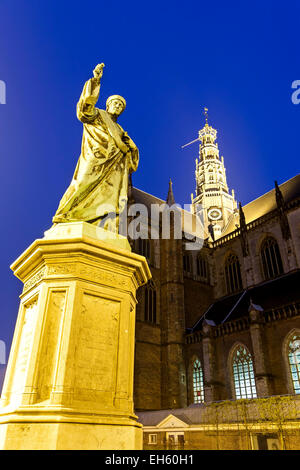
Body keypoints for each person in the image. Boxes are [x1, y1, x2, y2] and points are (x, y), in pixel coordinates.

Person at [52, 63, 139, 232]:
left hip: (113, 170)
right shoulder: (98, 114)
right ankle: (65, 214)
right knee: (81, 185)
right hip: (94, 159)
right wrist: (95, 81)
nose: (118, 107)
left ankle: (103, 225)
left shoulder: (121, 131)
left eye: (121, 106)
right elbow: (84, 110)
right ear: (108, 105)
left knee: (110, 199)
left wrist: (131, 148)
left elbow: (131, 156)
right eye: (115, 103)